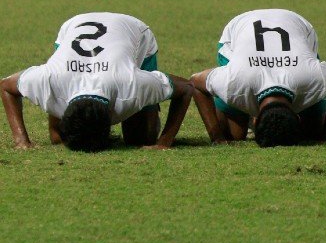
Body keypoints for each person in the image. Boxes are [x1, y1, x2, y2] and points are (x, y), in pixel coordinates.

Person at [1, 12, 203, 151]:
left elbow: (186, 88)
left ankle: (147, 111)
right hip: (74, 26)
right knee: (58, 139)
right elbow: (7, 87)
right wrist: (21, 141)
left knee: (141, 139)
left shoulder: (132, 85)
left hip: (134, 32)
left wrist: (164, 142)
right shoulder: (50, 80)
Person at [189, 9, 326, 147]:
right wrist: (217, 137)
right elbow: (196, 82)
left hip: (296, 26)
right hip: (238, 30)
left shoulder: (312, 77)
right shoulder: (235, 82)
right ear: (297, 117)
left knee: (312, 133)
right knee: (233, 134)